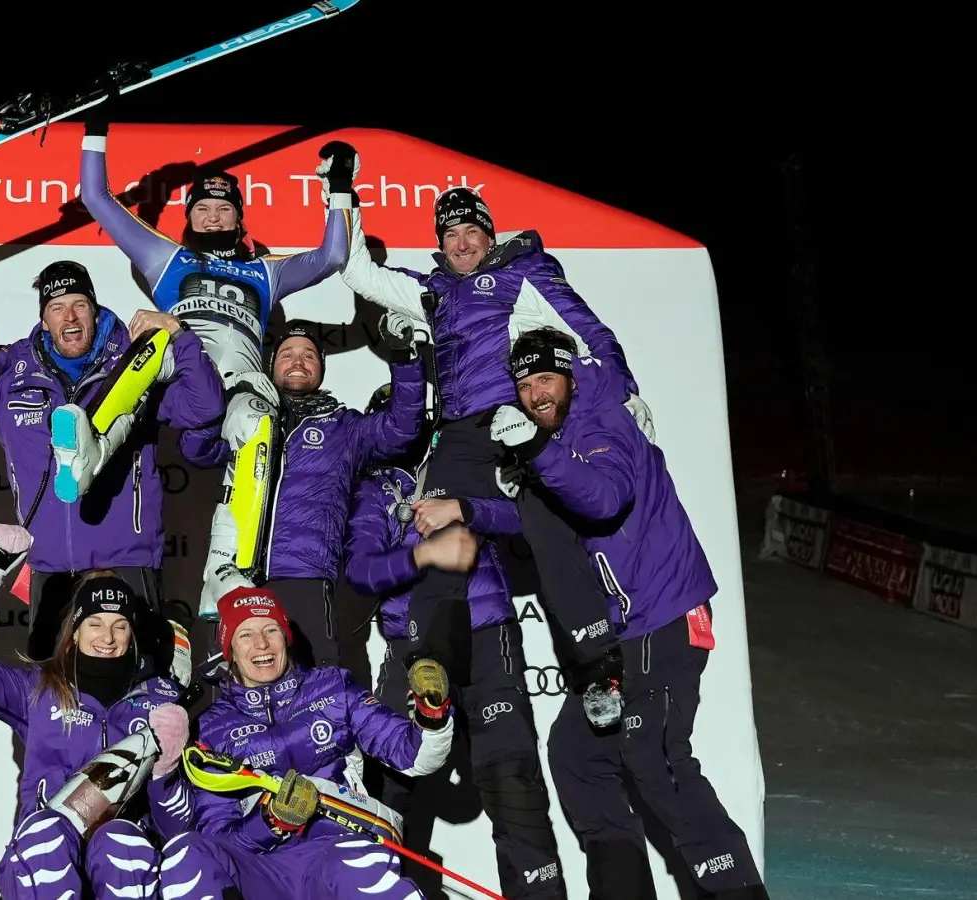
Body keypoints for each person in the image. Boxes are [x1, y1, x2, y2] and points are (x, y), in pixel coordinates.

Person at [328, 140, 651, 727]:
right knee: (442, 528)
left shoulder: (522, 274)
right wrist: (342, 191)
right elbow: (355, 270)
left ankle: (598, 671)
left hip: (517, 420)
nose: (461, 243)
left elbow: (587, 331)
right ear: (440, 244)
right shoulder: (434, 290)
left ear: (488, 233)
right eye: (449, 235)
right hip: (459, 433)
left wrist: (624, 392)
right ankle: (432, 665)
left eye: (471, 231)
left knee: (550, 533)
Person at [491, 327, 768, 900]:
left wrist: (539, 455)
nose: (535, 393)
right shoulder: (561, 435)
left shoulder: (603, 422)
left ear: (570, 377)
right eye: (524, 384)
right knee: (577, 753)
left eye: (545, 378)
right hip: (624, 633)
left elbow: (603, 497)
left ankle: (738, 892)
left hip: (663, 616)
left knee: (657, 757)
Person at [0, 261, 224, 687]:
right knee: (54, 710)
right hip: (49, 572)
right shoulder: (9, 372)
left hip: (126, 563)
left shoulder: (134, 361)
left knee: (137, 703)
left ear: (94, 308)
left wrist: (177, 333)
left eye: (80, 305)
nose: (70, 317)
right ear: (43, 319)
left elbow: (206, 407)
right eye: (57, 307)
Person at [68, 85, 354, 619]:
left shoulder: (265, 272)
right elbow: (96, 199)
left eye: (225, 209)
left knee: (259, 421)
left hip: (236, 387)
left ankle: (226, 569)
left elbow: (333, 255)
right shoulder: (164, 256)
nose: (215, 218)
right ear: (189, 216)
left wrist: (338, 187)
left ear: (240, 219)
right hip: (180, 372)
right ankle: (93, 448)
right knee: (155, 338)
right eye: (204, 208)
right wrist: (97, 126)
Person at [346, 386, 568, 898]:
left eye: (411, 424)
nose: (401, 433)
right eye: (389, 424)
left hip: (487, 634)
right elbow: (361, 571)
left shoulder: (466, 466)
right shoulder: (375, 491)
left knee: (514, 784)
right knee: (388, 794)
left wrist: (465, 508)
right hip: (412, 649)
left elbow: (529, 519)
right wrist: (426, 557)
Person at [153, 585, 462, 900]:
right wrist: (272, 821)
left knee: (359, 864)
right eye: (245, 634)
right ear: (230, 649)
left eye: (271, 629)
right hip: (261, 868)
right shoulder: (213, 727)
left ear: (286, 637)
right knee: (187, 851)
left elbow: (413, 756)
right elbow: (218, 834)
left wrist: (430, 713)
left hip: (334, 851)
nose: (261, 644)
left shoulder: (333, 688)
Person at [0, 523, 192, 900]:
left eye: (119, 625)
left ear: (132, 634)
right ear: (74, 631)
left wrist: (167, 771)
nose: (107, 637)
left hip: (124, 863)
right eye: (95, 623)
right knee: (49, 832)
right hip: (45, 857)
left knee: (121, 838)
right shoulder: (39, 688)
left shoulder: (159, 701)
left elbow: (180, 826)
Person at [179, 322, 425, 668]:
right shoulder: (248, 412)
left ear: (321, 369)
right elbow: (197, 449)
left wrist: (404, 357)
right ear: (271, 365)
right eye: (287, 354)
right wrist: (226, 402)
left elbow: (401, 429)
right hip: (235, 573)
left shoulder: (345, 428)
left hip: (304, 576)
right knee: (237, 687)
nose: (298, 362)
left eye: (309, 356)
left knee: (315, 688)